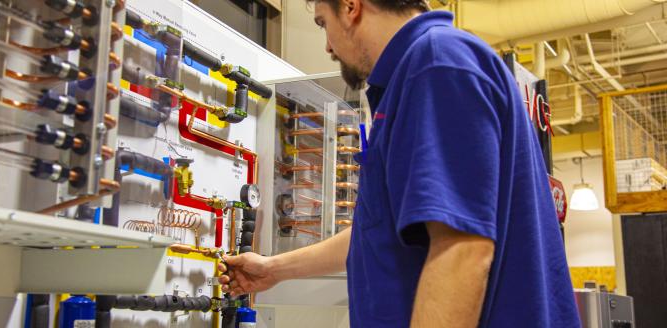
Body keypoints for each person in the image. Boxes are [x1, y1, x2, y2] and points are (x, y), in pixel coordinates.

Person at [218, 0, 581, 327]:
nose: (327, 45)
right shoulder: (420, 72)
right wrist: (273, 269)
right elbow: (380, 229)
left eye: (321, 23)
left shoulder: (437, 63)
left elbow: (461, 251)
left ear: (350, 7)